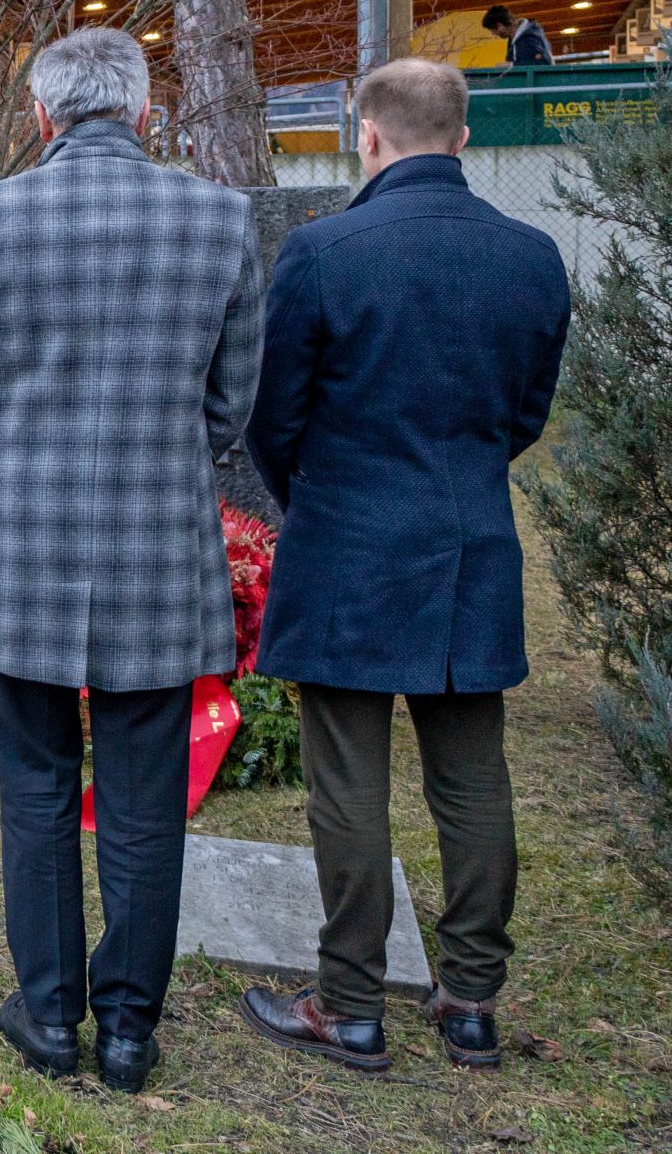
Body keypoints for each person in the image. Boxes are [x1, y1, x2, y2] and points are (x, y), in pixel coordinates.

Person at [0, 27, 262, 1093]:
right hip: (156, 547)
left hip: (25, 545)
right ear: (143, 112)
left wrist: (22, 462)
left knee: (31, 791)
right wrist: (159, 458)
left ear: (41, 115)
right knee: (142, 798)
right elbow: (229, 404)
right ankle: (126, 1031)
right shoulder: (218, 219)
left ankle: (48, 1016)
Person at [239, 58, 571, 1074]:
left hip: (345, 539)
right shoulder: (531, 256)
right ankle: (468, 998)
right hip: (468, 538)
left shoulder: (323, 250)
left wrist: (319, 499)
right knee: (472, 778)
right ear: (460, 137)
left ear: (365, 133)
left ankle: (347, 1004)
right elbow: (524, 412)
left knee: (347, 781)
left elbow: (270, 419)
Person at [481, 5, 552, 66]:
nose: (493, 34)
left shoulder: (531, 38)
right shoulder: (515, 39)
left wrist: (511, 65)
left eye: (493, 31)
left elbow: (544, 63)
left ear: (500, 26)